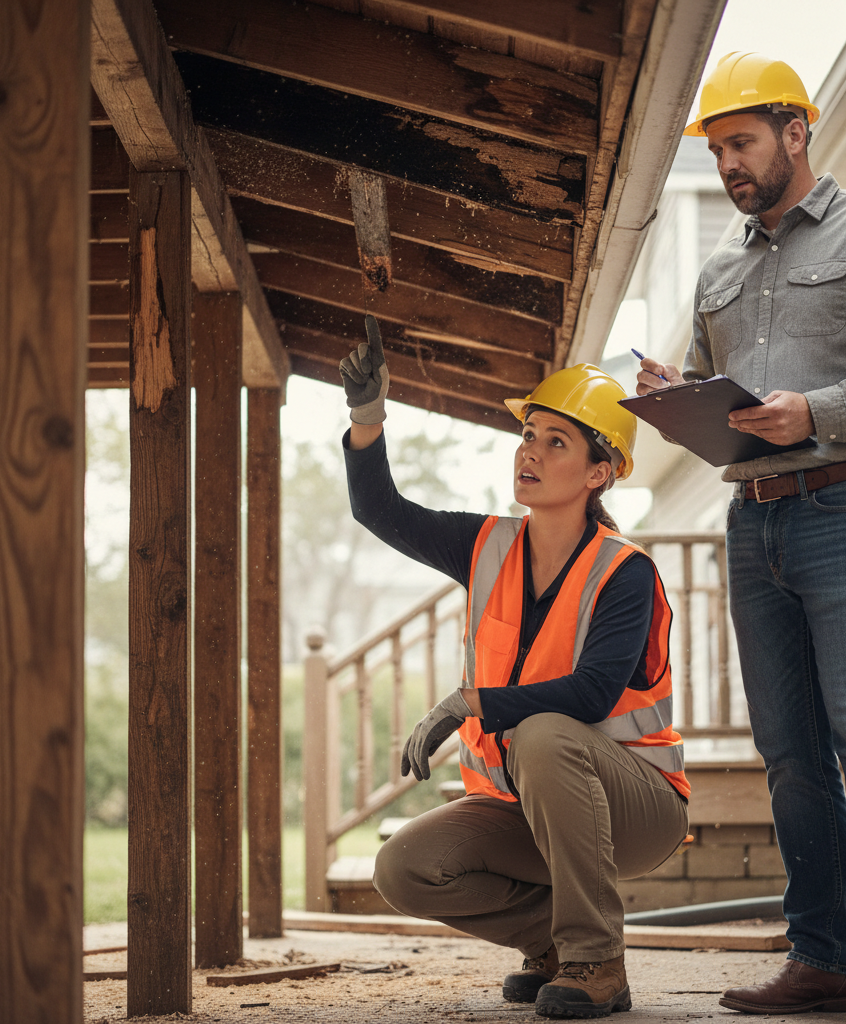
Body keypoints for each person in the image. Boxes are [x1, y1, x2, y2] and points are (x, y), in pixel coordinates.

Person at [636, 51, 846, 1024]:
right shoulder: (719, 270)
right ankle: (818, 957)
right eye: (718, 149)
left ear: (794, 131)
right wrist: (670, 398)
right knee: (788, 751)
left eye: (741, 142)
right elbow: (711, 389)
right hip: (753, 520)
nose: (730, 163)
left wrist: (820, 408)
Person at [339, 316, 690, 1020]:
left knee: (543, 731)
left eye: (555, 441)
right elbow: (379, 508)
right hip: (527, 807)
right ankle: (554, 947)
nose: (528, 452)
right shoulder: (485, 544)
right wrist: (367, 413)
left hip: (636, 805)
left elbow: (591, 695)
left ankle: (597, 960)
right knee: (404, 868)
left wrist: (471, 702)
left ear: (599, 473)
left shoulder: (625, 574)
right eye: (528, 435)